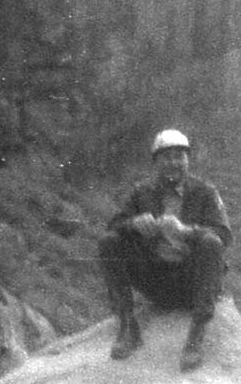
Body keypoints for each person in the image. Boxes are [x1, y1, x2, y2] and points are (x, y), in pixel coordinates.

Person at [98, 128, 231, 368]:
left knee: (210, 242)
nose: (173, 163)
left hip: (192, 282)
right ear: (156, 162)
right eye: (166, 157)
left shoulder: (205, 192)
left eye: (179, 157)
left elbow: (224, 234)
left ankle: (197, 332)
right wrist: (133, 224)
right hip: (155, 278)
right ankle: (128, 324)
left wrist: (187, 232)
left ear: (187, 160)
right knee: (110, 242)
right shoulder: (142, 192)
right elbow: (114, 225)